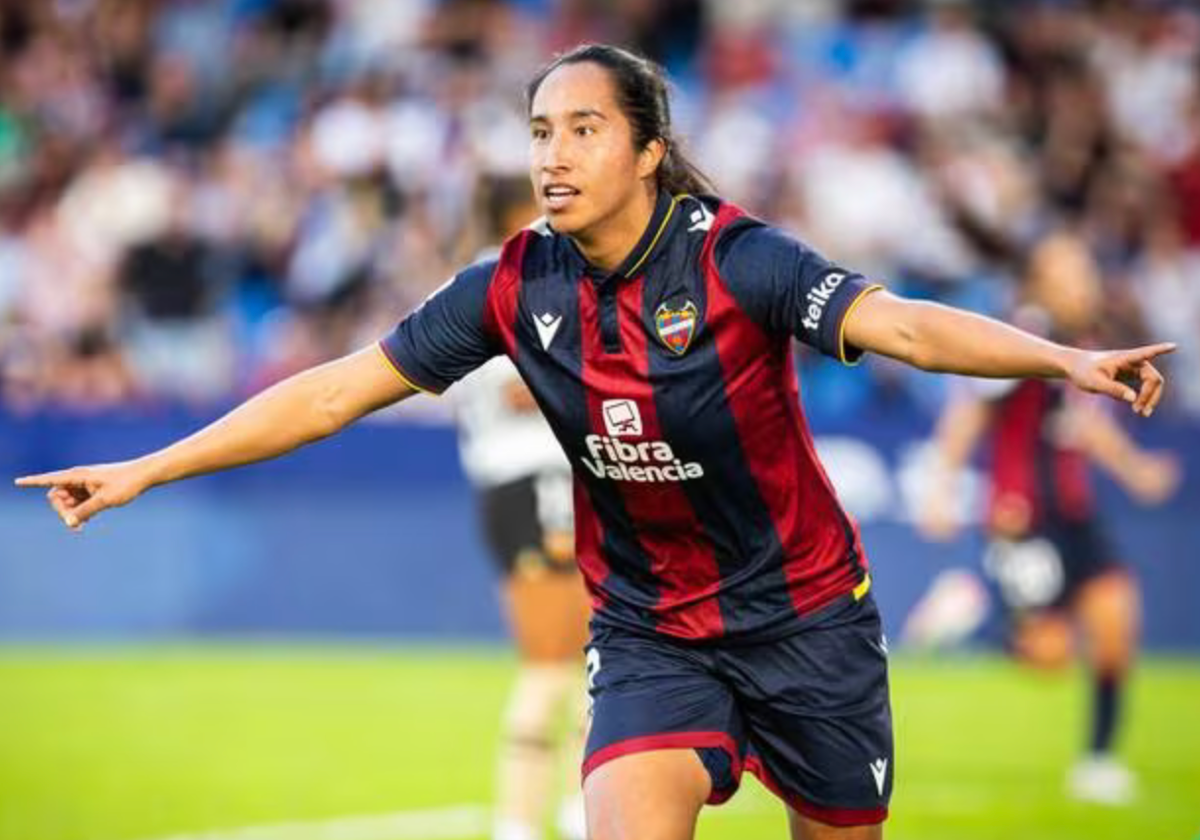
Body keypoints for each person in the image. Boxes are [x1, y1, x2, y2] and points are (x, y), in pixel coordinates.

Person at [15, 44, 1173, 840]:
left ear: (648, 150)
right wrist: (146, 466)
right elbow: (332, 394)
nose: (552, 156)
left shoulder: (739, 259)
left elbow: (909, 327)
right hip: (651, 634)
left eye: (583, 130)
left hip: (810, 624)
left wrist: (1064, 359)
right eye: (538, 132)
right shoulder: (514, 283)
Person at [915, 229, 1180, 806]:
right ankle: (972, 609)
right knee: (1050, 656)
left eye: (1083, 267)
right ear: (1041, 280)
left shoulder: (1084, 340)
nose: (1081, 279)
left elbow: (1087, 427)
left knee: (1115, 629)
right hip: (1023, 516)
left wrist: (1135, 472)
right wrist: (940, 488)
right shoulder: (1023, 336)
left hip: (1077, 512)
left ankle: (1099, 763)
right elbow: (969, 413)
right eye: (1067, 269)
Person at [454, 177, 590, 840]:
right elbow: (523, 390)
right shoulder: (507, 281)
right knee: (552, 664)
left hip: (523, 484)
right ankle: (520, 819)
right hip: (537, 481)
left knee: (589, 655)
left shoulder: (473, 281)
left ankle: (573, 805)